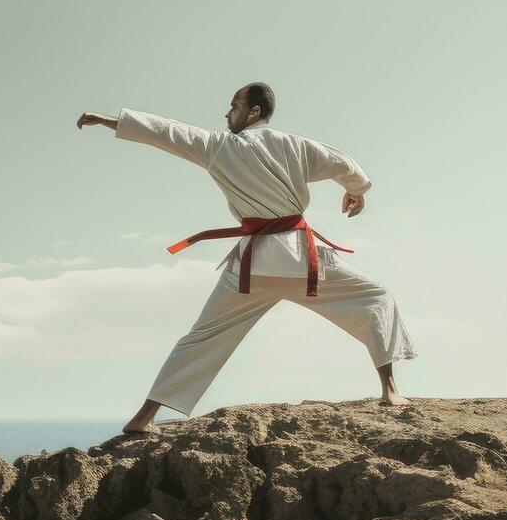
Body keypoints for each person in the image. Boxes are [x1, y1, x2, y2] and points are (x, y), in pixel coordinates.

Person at [77, 83, 416, 434]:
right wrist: (356, 192)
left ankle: (142, 419)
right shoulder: (295, 146)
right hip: (302, 260)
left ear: (253, 112)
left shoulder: (217, 147)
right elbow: (340, 162)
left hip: (251, 269)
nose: (227, 113)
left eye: (233, 106)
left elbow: (167, 132)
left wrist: (110, 121)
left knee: (202, 338)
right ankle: (390, 391)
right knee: (376, 298)